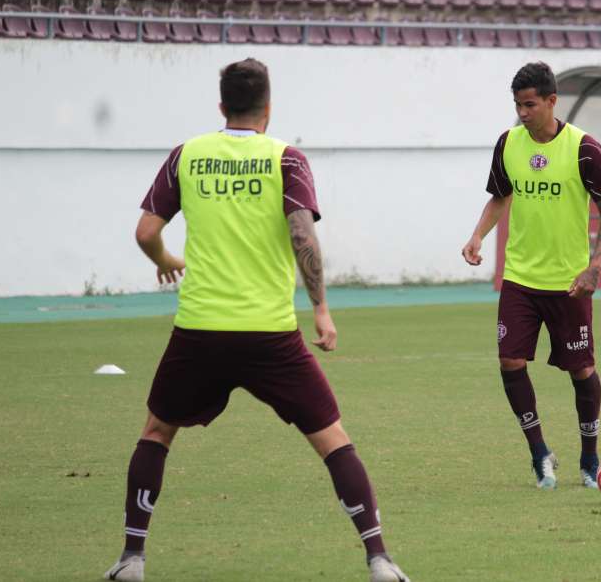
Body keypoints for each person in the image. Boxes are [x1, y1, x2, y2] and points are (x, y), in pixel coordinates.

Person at [103, 59, 409, 582]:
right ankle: (379, 559)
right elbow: (302, 236)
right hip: (270, 335)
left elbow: (145, 231)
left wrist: (165, 262)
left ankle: (132, 558)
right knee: (333, 439)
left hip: (200, 329)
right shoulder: (285, 159)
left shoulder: (188, 155)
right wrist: (320, 308)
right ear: (269, 108)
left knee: (157, 431)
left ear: (221, 106)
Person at [461, 62, 601, 490]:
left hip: (569, 284)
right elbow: (500, 196)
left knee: (581, 371)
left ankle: (589, 458)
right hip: (520, 279)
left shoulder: (583, 148)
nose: (523, 112)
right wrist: (477, 235)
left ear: (552, 101)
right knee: (509, 361)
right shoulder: (508, 144)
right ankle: (540, 454)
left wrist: (595, 266)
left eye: (530, 104)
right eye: (517, 105)